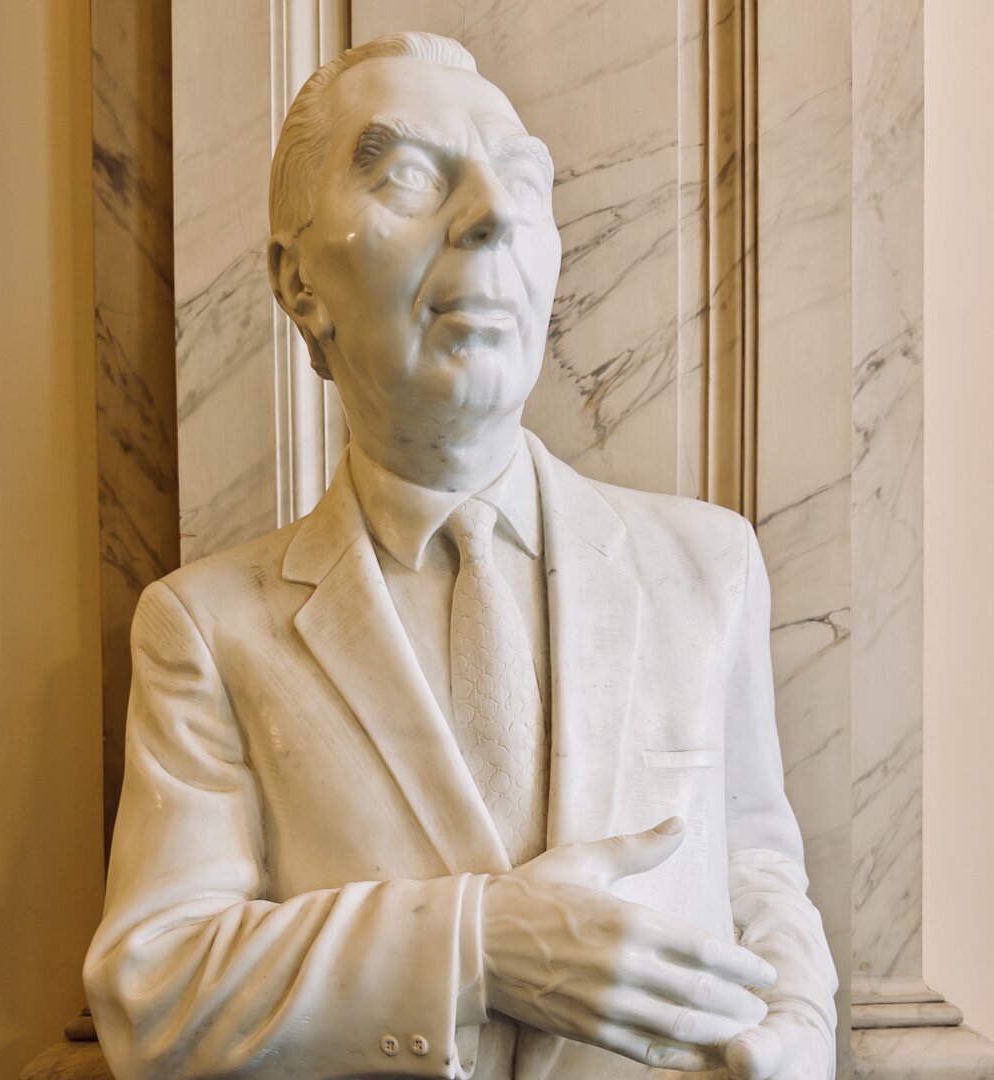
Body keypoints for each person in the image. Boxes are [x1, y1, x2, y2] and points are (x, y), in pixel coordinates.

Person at [85, 32, 837, 1080]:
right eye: (407, 175)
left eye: (522, 180)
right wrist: (475, 945)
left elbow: (755, 866)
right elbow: (154, 993)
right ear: (298, 282)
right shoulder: (209, 629)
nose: (493, 214)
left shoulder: (708, 568)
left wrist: (798, 1026)